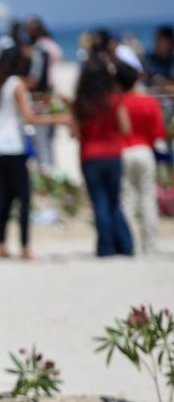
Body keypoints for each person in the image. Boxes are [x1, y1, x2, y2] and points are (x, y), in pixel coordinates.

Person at [0, 48, 69, 260]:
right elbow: (29, 117)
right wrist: (58, 119)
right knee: (23, 198)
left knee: (2, 198)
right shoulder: (16, 85)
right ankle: (24, 247)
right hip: (13, 146)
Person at [73, 58, 134, 257]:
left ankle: (105, 246)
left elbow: (75, 133)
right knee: (114, 201)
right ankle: (125, 244)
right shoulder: (115, 99)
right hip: (113, 154)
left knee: (99, 202)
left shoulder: (81, 103)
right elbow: (125, 128)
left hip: (90, 155)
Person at [117, 61, 166, 254]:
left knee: (127, 200)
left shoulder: (118, 103)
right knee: (148, 198)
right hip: (144, 150)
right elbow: (158, 133)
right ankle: (150, 243)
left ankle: (128, 243)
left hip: (123, 151)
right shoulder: (149, 102)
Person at [23, 18, 61, 171]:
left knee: (41, 139)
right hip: (47, 94)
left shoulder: (39, 50)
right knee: (45, 139)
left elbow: (35, 78)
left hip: (40, 97)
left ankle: (47, 174)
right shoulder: (48, 47)